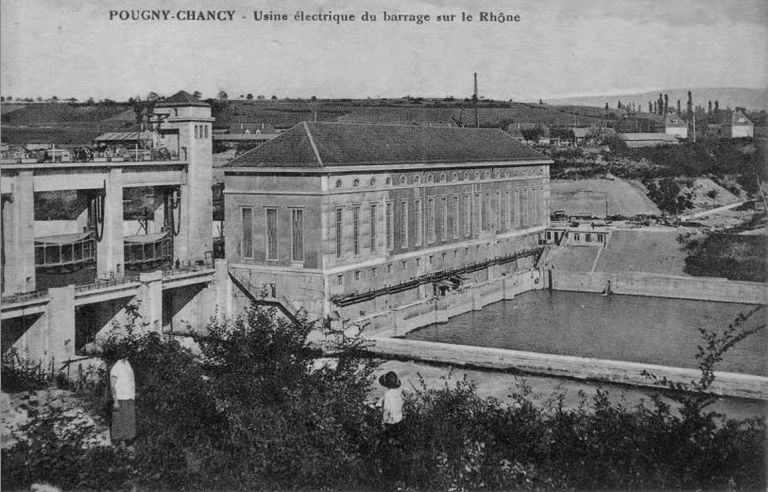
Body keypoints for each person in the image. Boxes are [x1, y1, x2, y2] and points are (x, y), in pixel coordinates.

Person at [110, 348, 136, 450]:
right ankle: (120, 444)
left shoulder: (127, 364)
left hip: (129, 396)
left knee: (129, 420)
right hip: (121, 398)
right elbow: (112, 385)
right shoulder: (116, 367)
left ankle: (128, 442)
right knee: (120, 420)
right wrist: (115, 401)